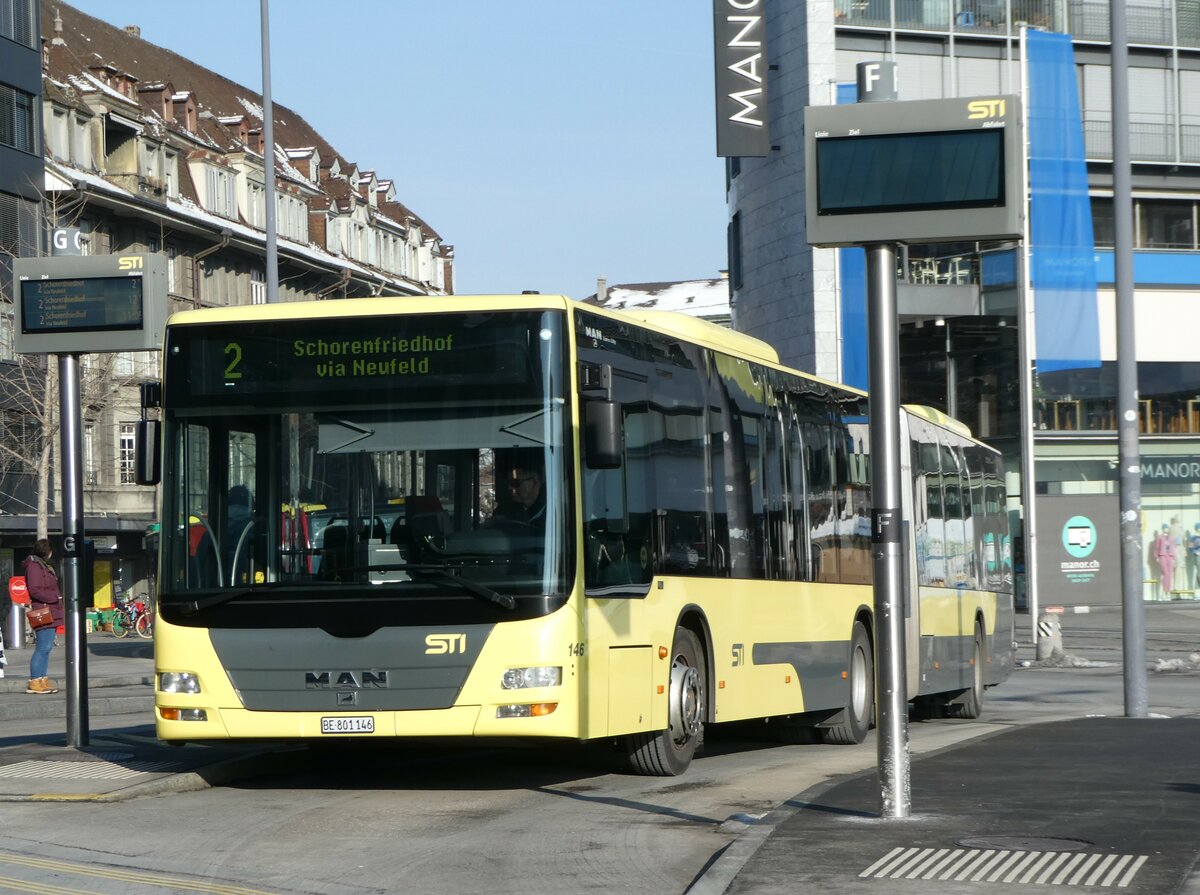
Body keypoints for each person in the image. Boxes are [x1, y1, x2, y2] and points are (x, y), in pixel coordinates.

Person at [23, 539, 62, 695]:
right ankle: (35, 680)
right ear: (47, 551)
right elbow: (35, 589)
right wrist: (54, 597)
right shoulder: (34, 566)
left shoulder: (40, 565)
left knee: (46, 648)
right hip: (44, 610)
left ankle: (41, 679)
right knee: (42, 648)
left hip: (50, 610)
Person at [500, 461, 546, 526]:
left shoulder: (551, 513)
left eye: (515, 482)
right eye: (508, 483)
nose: (509, 488)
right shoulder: (508, 511)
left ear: (535, 481)